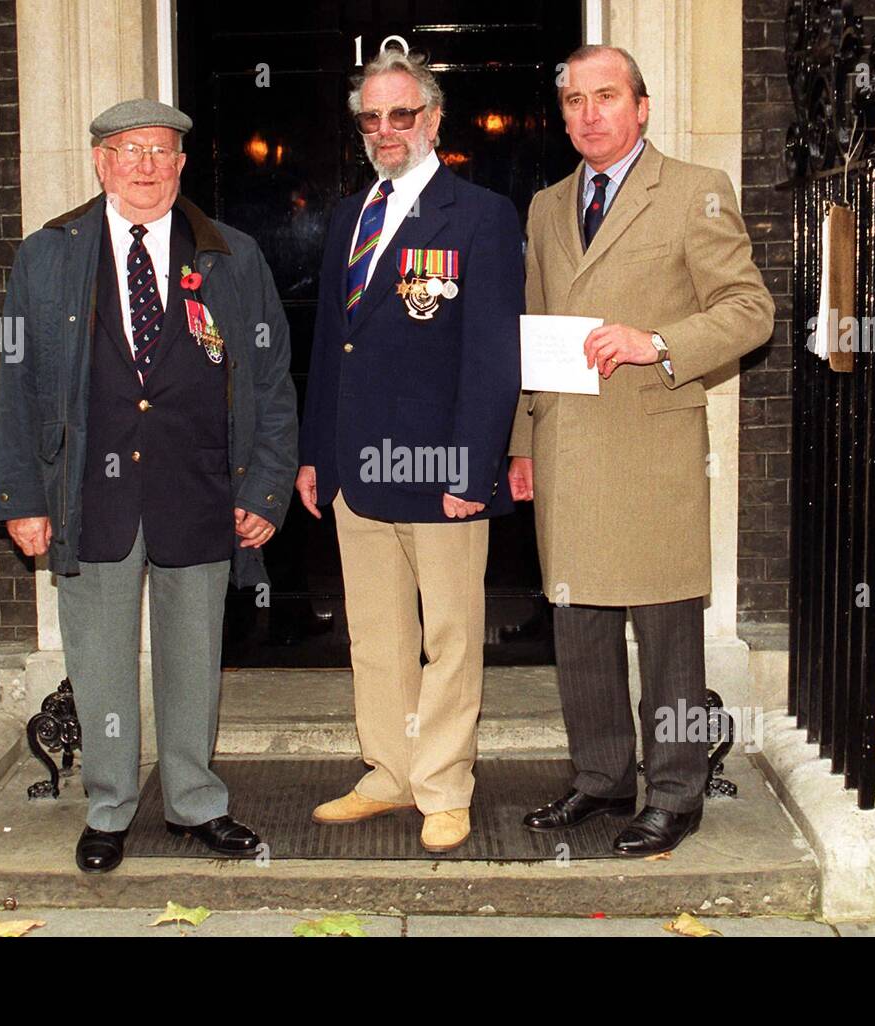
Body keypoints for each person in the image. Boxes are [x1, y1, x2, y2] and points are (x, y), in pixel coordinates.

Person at [0, 99, 298, 873]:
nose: (147, 166)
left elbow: (269, 380)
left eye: (161, 151)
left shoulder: (231, 255)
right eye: (130, 151)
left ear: (182, 164)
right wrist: (22, 498)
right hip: (88, 492)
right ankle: (109, 807)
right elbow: (17, 383)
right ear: (101, 162)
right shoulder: (47, 255)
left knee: (193, 654)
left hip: (199, 486)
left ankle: (195, 801)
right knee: (99, 658)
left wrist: (264, 489)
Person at [508, 45, 774, 856]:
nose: (590, 114)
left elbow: (750, 310)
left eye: (607, 96)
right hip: (565, 445)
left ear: (642, 106)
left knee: (666, 633)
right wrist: (522, 443)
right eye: (575, 101)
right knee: (580, 626)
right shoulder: (546, 206)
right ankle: (601, 777)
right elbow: (533, 326)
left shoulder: (695, 190)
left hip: (650, 448)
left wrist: (653, 341)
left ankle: (677, 792)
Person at [296, 49, 524, 853]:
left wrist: (472, 467)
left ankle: (444, 784)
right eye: (371, 118)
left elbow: (493, 355)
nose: (386, 130)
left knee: (451, 636)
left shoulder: (482, 215)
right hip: (356, 470)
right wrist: (315, 453)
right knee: (377, 633)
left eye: (401, 114)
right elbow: (332, 345)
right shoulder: (350, 216)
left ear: (433, 119)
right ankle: (389, 771)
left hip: (440, 473)